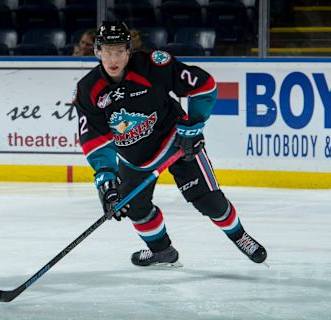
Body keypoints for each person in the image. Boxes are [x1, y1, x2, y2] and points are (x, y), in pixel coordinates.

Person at [73, 21, 267, 267]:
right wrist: (106, 177)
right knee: (134, 208)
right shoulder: (88, 89)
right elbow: (94, 137)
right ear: (97, 52)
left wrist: (194, 125)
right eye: (108, 52)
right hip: (134, 156)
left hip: (176, 143)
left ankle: (241, 237)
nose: (114, 58)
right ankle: (162, 251)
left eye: (120, 51)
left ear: (129, 50)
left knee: (209, 201)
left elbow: (204, 86)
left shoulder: (153, 65)